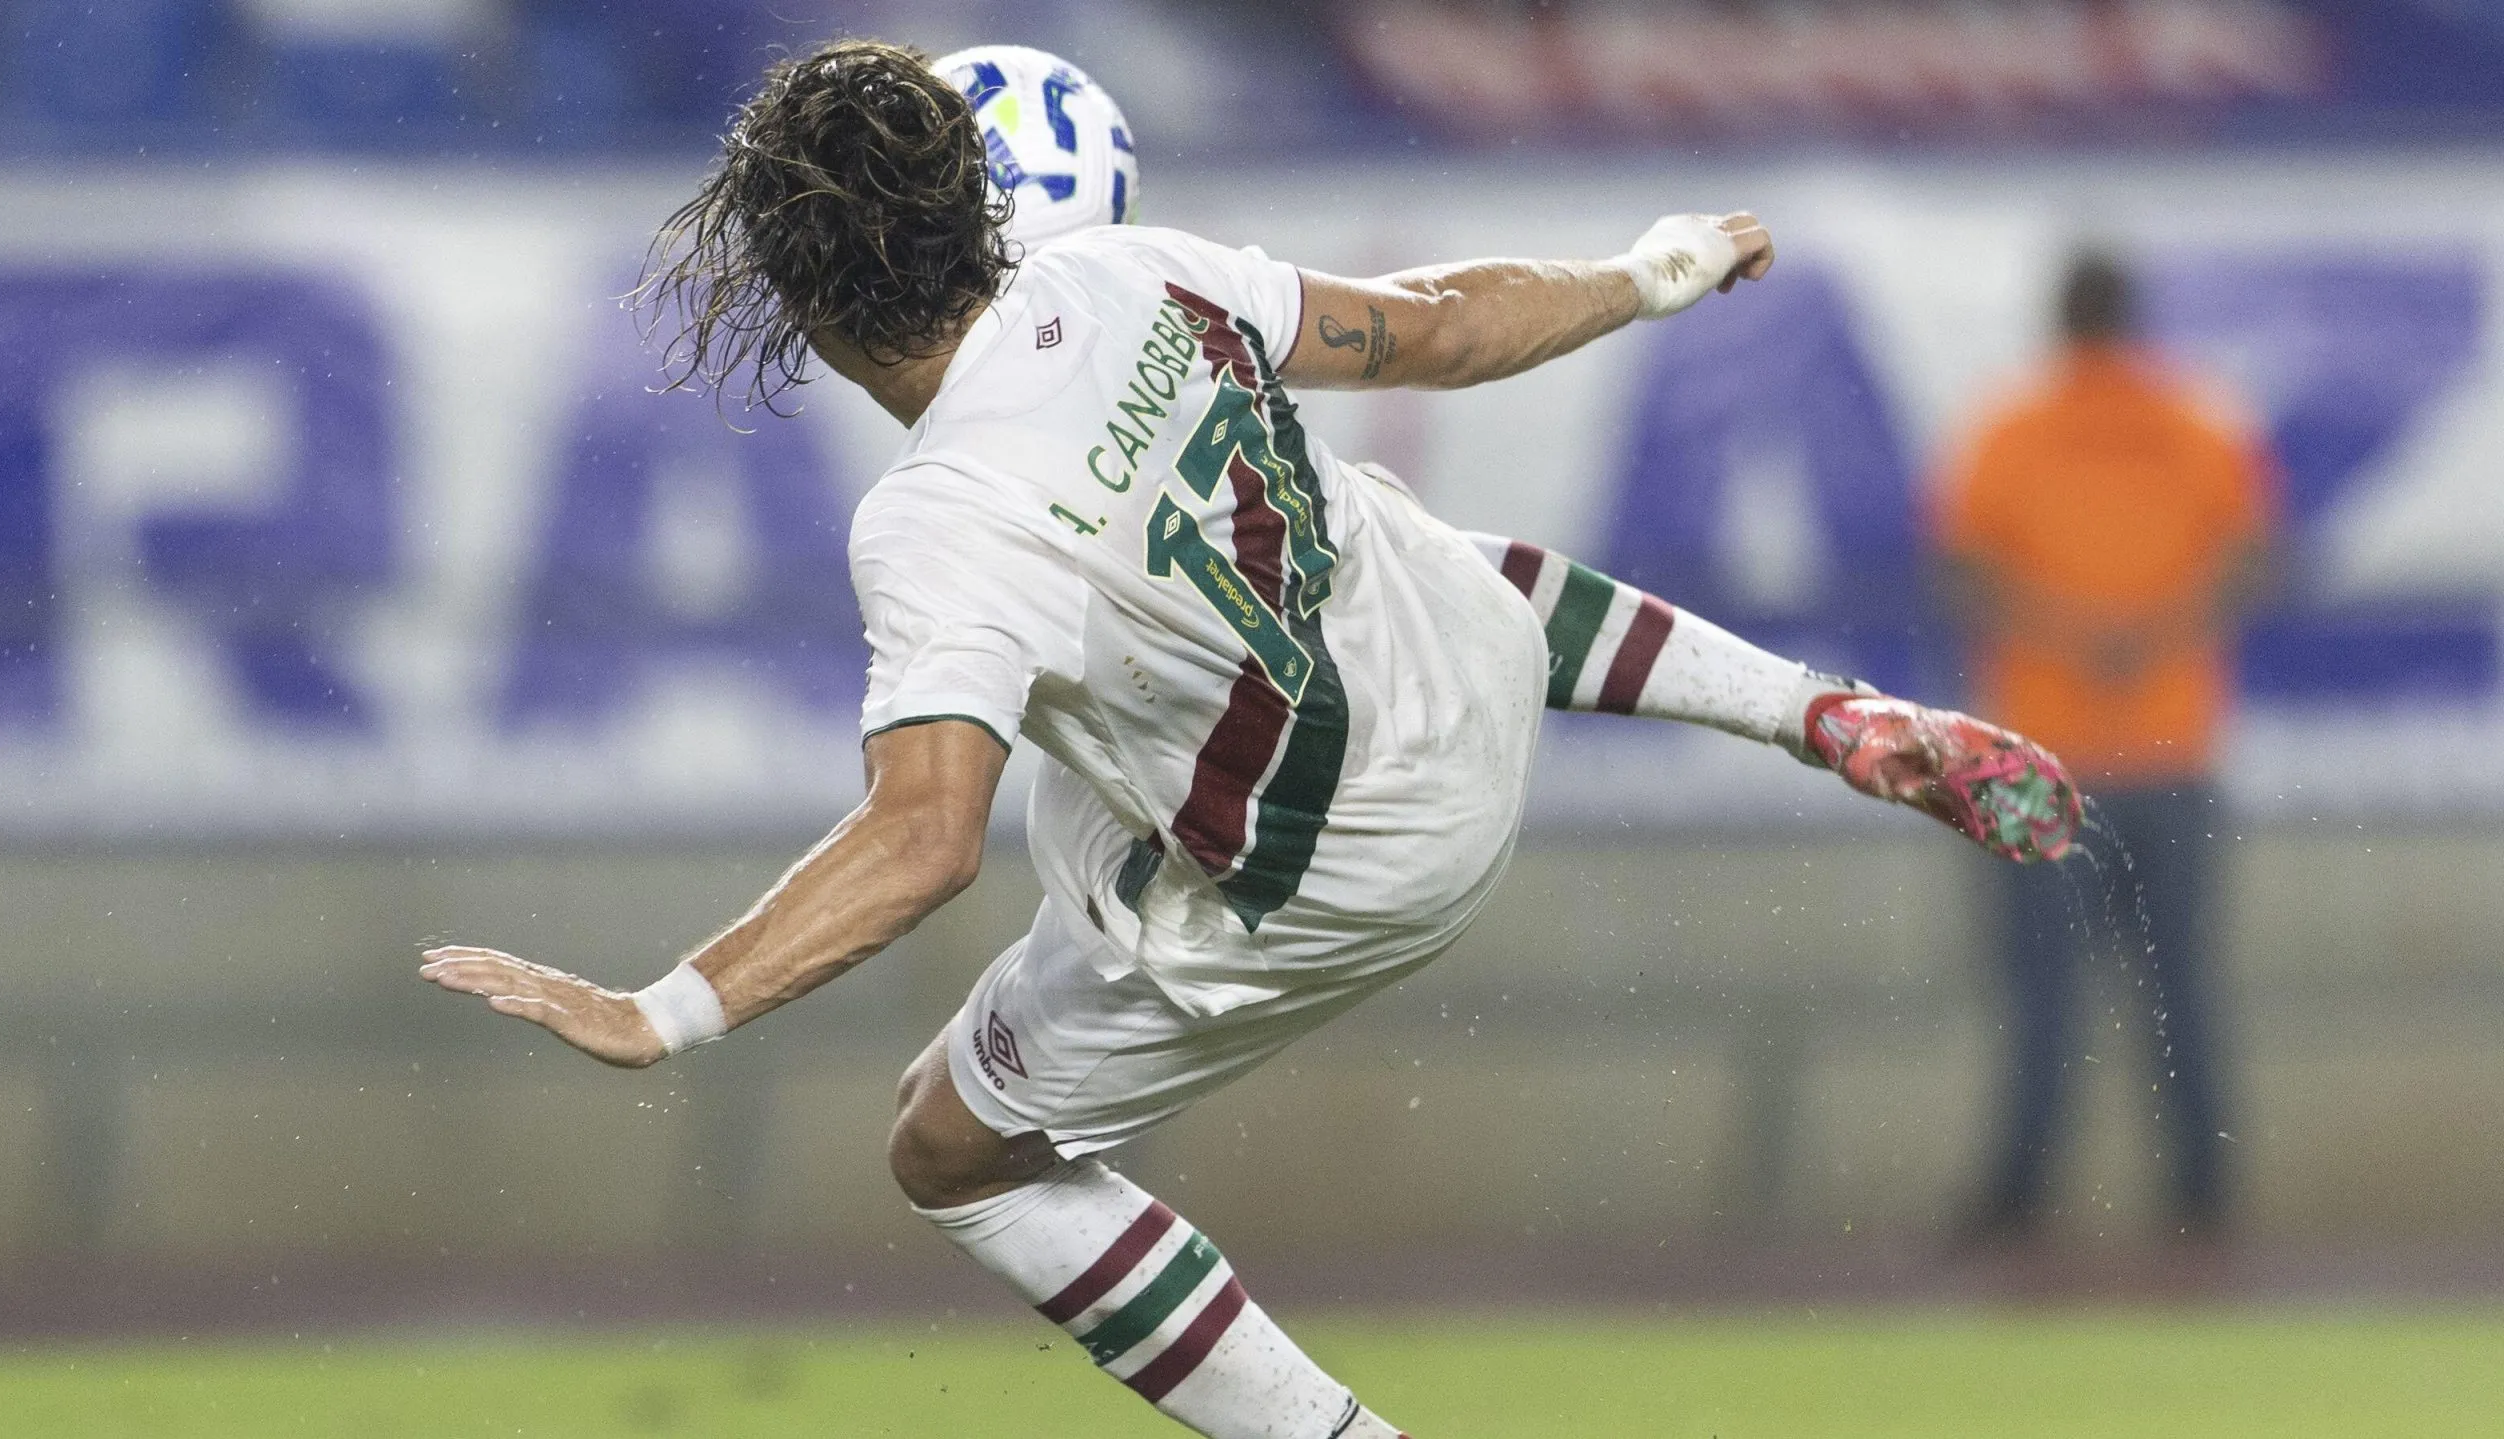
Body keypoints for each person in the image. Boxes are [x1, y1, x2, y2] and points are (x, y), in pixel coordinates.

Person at [423, 40, 2079, 1437]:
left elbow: (924, 836)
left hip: (1324, 866)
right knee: (1392, 551)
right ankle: (1817, 710)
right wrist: (1646, 275)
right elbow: (1433, 328)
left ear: (801, 291)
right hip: (1460, 684)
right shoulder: (1123, 268)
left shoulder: (939, 519)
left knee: (954, 1142)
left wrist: (671, 1004)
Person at [1934, 250, 2276, 1245]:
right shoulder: (2197, 421)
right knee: (2181, 994)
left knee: (2039, 997)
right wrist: (2155, 629)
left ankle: (2016, 1201)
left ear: (2058, 322)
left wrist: (2067, 629)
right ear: (2136, 319)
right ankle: (2203, 1202)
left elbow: (1963, 570)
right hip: (2173, 752)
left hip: (2039, 759)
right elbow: (2251, 557)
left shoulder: (2008, 426)